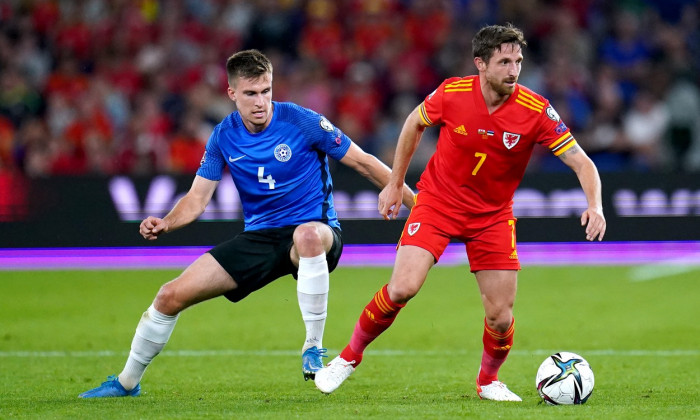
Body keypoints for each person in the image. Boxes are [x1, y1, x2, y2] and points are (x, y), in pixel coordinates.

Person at [78, 49, 415, 398]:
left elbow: (364, 163)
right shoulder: (224, 136)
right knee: (168, 296)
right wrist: (166, 222)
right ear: (232, 94)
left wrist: (417, 204)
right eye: (251, 93)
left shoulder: (302, 121)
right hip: (260, 238)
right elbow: (196, 199)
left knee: (307, 235)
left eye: (266, 91)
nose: (260, 102)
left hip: (317, 233)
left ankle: (313, 349)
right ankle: (126, 383)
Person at [314, 24, 607, 401]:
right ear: (480, 64)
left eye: (518, 61)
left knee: (501, 316)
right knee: (403, 287)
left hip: (493, 216)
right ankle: (348, 358)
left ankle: (488, 381)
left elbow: (582, 163)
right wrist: (395, 182)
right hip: (437, 203)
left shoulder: (536, 110)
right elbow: (413, 124)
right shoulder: (453, 92)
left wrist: (595, 205)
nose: (513, 70)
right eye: (504, 61)